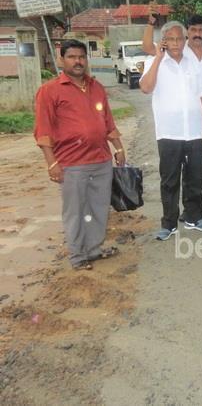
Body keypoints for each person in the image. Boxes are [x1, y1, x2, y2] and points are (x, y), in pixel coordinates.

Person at [34, 39, 126, 270]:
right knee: (75, 212)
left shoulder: (96, 87)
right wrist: (51, 163)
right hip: (71, 163)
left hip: (101, 160)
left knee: (98, 207)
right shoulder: (50, 91)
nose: (78, 61)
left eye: (81, 57)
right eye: (72, 57)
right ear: (61, 60)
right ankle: (77, 256)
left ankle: (94, 250)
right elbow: (43, 130)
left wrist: (119, 147)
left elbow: (107, 121)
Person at [143, 14, 202, 223]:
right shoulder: (176, 53)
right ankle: (193, 210)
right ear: (187, 33)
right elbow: (148, 48)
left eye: (201, 31)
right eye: (193, 30)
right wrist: (150, 24)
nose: (197, 34)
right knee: (191, 170)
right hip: (188, 126)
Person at [140, 21, 202, 240]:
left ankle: (194, 217)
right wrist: (159, 58)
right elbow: (145, 88)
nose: (175, 43)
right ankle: (169, 223)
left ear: (184, 41)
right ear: (163, 41)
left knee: (194, 178)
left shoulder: (193, 64)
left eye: (179, 39)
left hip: (193, 132)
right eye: (170, 39)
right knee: (169, 180)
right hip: (169, 133)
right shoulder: (155, 61)